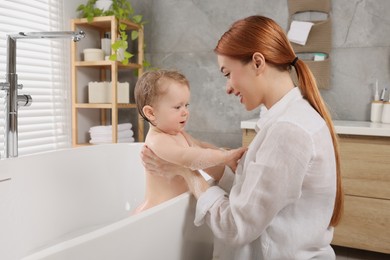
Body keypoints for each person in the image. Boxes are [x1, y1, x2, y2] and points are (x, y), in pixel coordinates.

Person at [141, 15, 344, 259]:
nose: (227, 87)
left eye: (227, 73)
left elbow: (235, 226)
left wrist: (187, 172)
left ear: (257, 62)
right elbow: (253, 195)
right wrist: (211, 155)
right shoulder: (285, 119)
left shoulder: (288, 131)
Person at [133, 69, 247, 213]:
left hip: (175, 207)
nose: (185, 111)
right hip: (156, 211)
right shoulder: (157, 141)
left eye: (186, 105)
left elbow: (200, 146)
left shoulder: (178, 134)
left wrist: (223, 156)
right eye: (177, 107)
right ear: (151, 113)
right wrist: (224, 157)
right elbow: (189, 158)